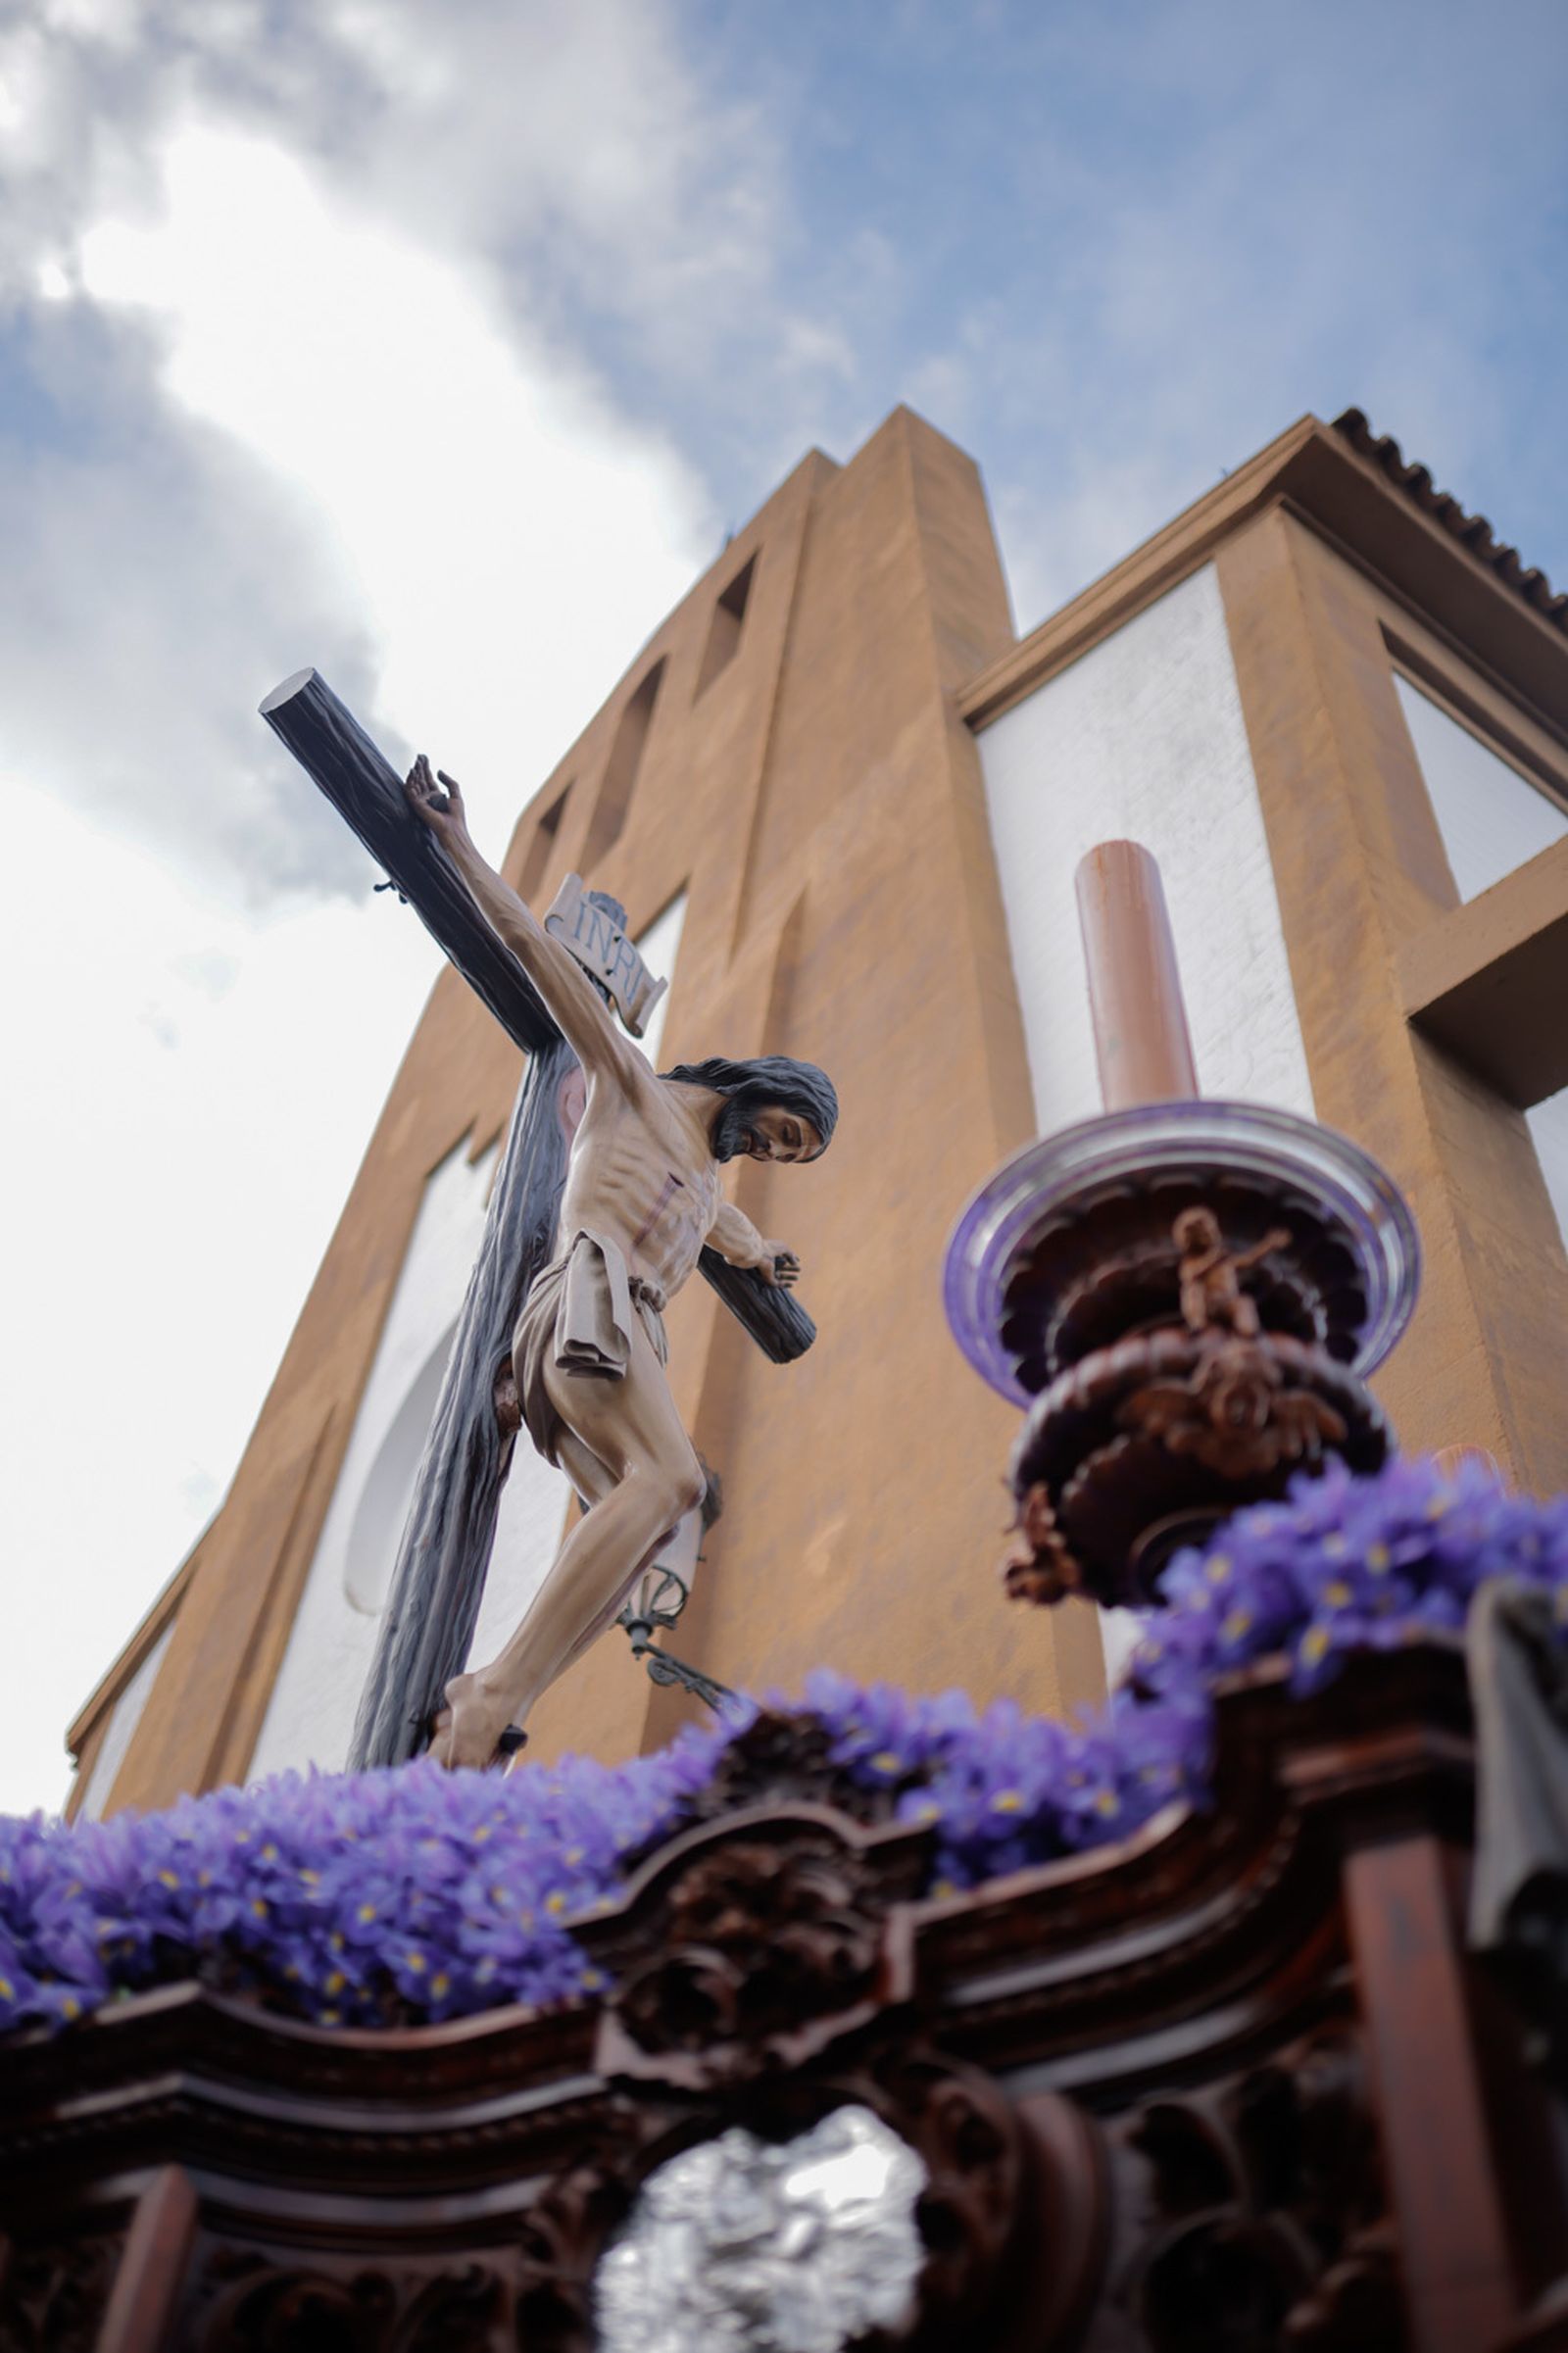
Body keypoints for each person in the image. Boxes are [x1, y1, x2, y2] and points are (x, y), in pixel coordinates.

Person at [404, 757, 837, 1768]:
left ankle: (502, 1707)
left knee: (654, 1527)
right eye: (783, 1130)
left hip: (625, 1332)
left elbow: (736, 1238)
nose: (774, 1152)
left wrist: (766, 1255)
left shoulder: (705, 1188)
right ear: (762, 1086)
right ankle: (487, 1692)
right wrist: (455, 841)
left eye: (790, 1156)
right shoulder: (630, 1086)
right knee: (673, 1476)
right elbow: (528, 946)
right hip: (585, 1302)